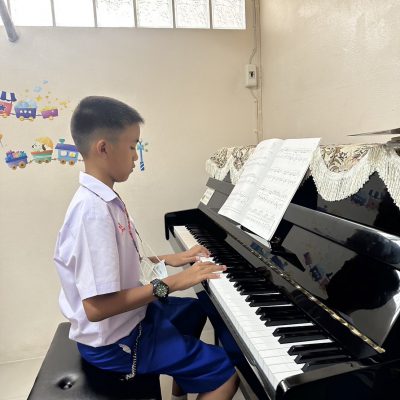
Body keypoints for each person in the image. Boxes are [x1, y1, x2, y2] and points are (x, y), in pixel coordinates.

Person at [54, 96, 239, 400]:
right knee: (225, 373)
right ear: (104, 148)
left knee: (194, 311)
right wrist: (174, 283)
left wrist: (173, 258)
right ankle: (206, 378)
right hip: (114, 342)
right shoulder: (93, 213)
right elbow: (97, 308)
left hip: (127, 321)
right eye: (132, 147)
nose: (135, 157)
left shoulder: (103, 200)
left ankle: (184, 385)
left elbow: (120, 265)